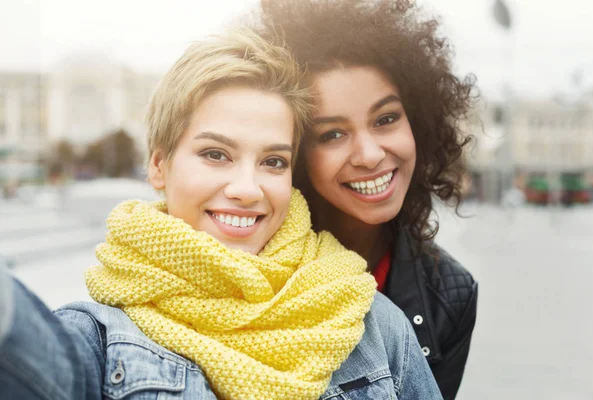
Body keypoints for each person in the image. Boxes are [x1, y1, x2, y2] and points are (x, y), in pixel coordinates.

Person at [0, 29, 442, 400]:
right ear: (159, 165)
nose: (247, 190)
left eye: (273, 162)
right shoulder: (96, 338)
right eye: (216, 153)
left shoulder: (372, 326)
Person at [256, 1, 479, 398]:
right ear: (296, 152)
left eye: (386, 119)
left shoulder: (451, 293)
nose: (370, 154)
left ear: (418, 120)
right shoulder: (246, 254)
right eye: (332, 134)